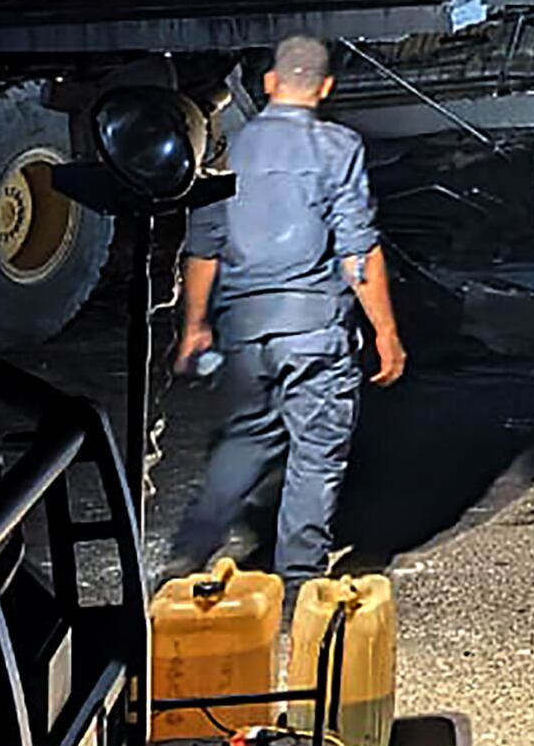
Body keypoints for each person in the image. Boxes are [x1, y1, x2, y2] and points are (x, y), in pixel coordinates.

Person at [168, 33, 411, 584]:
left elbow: (204, 246)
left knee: (248, 437)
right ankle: (299, 580)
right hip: (313, 331)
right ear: (324, 87)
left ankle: (190, 553)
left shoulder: (229, 149)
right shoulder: (337, 149)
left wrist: (194, 328)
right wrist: (386, 333)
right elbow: (356, 250)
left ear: (271, 83)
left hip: (245, 334)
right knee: (316, 451)